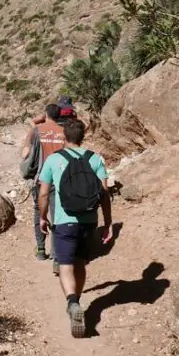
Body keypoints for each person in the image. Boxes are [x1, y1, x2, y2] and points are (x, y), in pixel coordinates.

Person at [37, 119, 114, 338]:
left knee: (65, 265)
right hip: (89, 221)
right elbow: (105, 194)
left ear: (64, 137)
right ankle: (77, 301)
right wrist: (108, 222)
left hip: (64, 221)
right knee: (80, 263)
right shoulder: (95, 159)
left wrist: (43, 217)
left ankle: (72, 302)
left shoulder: (54, 160)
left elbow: (43, 193)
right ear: (83, 136)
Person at [19, 104, 67, 261]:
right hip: (60, 179)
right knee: (58, 215)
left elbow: (24, 153)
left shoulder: (36, 130)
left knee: (39, 212)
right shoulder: (65, 131)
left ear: (45, 114)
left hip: (40, 179)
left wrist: (34, 123)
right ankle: (56, 253)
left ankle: (41, 249)